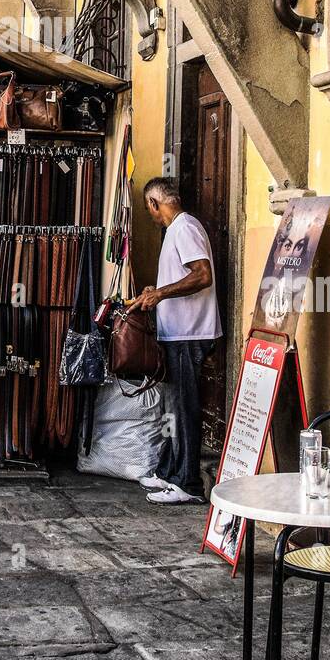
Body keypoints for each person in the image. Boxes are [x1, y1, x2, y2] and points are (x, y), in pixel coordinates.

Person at [133, 176, 221, 506]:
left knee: (185, 408)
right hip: (178, 334)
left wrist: (161, 293)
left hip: (190, 333)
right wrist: (154, 293)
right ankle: (171, 473)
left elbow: (202, 275)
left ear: (156, 204)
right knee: (175, 406)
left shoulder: (185, 227)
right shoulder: (175, 231)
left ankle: (189, 483)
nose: (150, 214)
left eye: (148, 208)